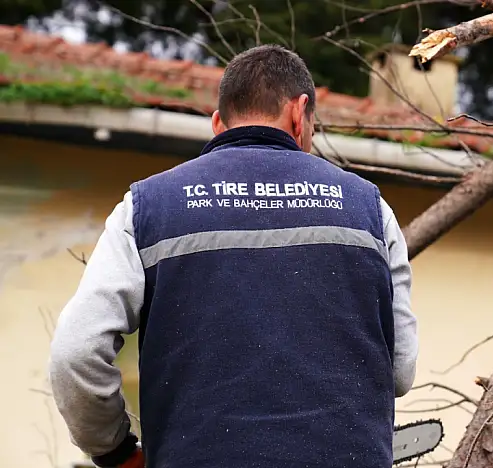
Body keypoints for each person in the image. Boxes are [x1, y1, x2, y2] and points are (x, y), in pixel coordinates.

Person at [48, 44, 419, 468]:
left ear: (217, 125)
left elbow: (75, 353)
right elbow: (400, 369)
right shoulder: (371, 208)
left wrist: (113, 450)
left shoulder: (144, 207)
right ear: (300, 114)